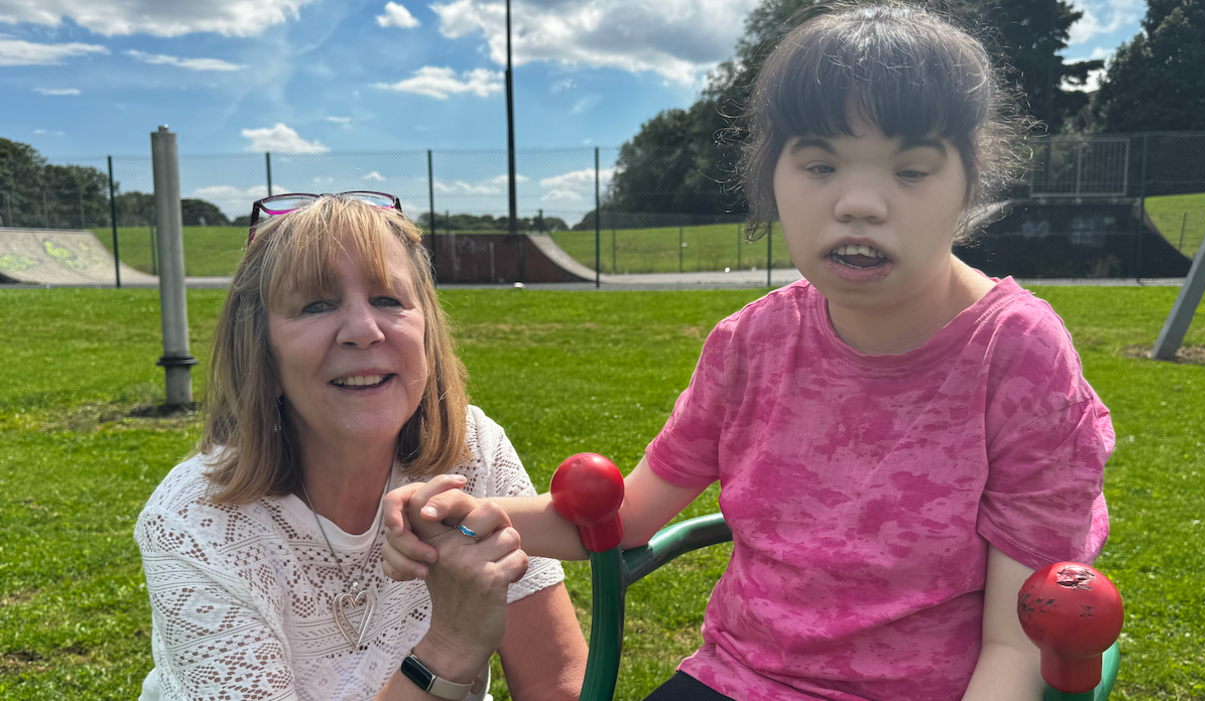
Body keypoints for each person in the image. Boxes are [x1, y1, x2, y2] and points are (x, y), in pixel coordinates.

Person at [382, 3, 1114, 700]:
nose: (860, 201)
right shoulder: (751, 344)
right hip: (735, 679)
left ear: (968, 181)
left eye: (911, 169)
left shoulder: (1017, 354)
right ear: (773, 177)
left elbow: (1018, 642)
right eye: (821, 165)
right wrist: (468, 515)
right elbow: (625, 516)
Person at [133, 194, 586, 701]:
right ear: (262, 353)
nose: (364, 331)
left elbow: (557, 683)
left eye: (389, 300)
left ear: (427, 335)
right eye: (316, 305)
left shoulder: (473, 450)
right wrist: (450, 644)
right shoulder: (197, 522)